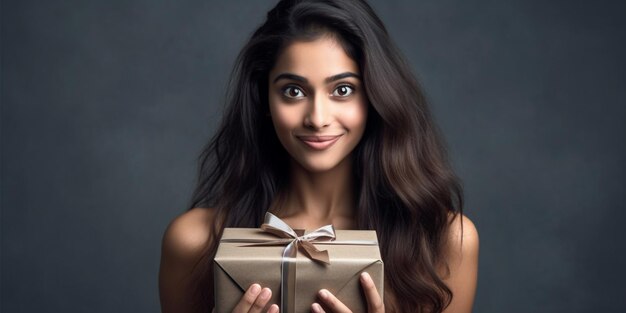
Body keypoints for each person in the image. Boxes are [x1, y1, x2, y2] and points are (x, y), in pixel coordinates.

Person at [159, 0, 479, 312]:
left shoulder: (442, 241)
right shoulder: (194, 242)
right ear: (264, 100)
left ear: (375, 95)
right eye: (293, 91)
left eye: (342, 90)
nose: (317, 118)